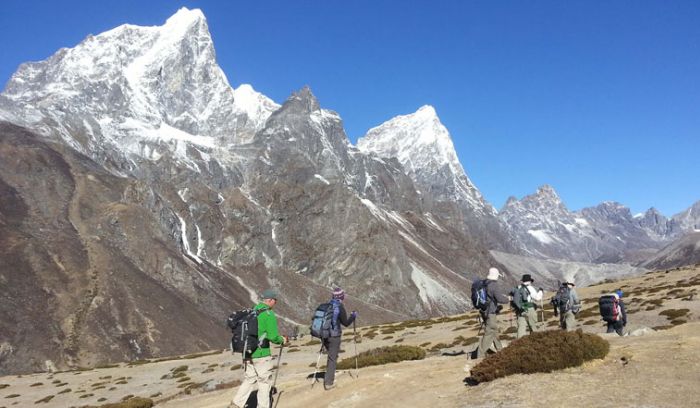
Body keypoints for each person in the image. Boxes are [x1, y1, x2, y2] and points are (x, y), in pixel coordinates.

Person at [231, 289, 288, 408]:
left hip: (247, 352)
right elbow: (273, 336)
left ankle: (236, 404)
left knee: (249, 379)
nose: (275, 303)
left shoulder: (252, 310)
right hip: (261, 353)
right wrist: (282, 340)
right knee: (264, 382)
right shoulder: (268, 314)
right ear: (271, 300)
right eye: (275, 301)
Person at [323, 287, 357, 390]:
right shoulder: (339, 307)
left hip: (324, 335)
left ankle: (329, 375)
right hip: (334, 336)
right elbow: (345, 323)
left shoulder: (327, 305)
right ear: (341, 297)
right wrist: (353, 316)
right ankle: (329, 383)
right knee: (333, 358)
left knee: (331, 356)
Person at [476, 267, 510, 358]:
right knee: (489, 333)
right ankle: (480, 354)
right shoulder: (494, 285)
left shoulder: (484, 283)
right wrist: (508, 299)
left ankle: (500, 350)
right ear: (496, 275)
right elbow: (499, 298)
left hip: (484, 311)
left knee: (493, 331)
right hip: (490, 313)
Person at [513, 274, 544, 338]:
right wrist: (540, 291)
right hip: (529, 308)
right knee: (533, 326)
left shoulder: (518, 288)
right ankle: (535, 342)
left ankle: (519, 343)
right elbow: (537, 298)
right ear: (530, 281)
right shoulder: (530, 288)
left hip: (520, 309)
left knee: (521, 327)